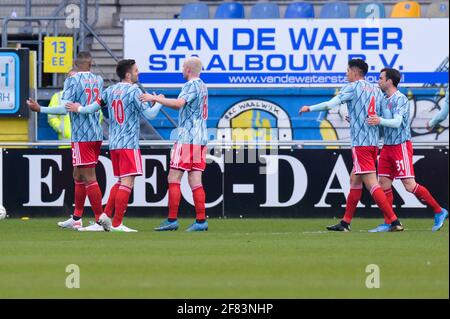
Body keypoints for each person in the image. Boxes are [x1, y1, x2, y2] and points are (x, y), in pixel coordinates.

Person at [299, 59, 404, 232]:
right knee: (354, 179)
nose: (346, 73)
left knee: (371, 183)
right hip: (372, 142)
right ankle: (345, 222)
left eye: (347, 70)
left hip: (360, 143)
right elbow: (381, 115)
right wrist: (356, 118)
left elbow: (330, 104)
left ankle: (394, 221)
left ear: (355, 72)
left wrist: (309, 108)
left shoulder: (352, 87)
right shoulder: (376, 90)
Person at [66, 59, 163, 232]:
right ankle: (117, 223)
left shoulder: (109, 91)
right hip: (129, 143)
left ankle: (103, 218)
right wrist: (159, 101)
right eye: (135, 71)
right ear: (128, 74)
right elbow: (150, 114)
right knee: (128, 182)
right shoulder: (134, 91)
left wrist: (78, 108)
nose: (137, 74)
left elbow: (92, 108)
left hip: (114, 143)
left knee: (120, 181)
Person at [27, 52, 105, 231]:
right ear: (91, 63)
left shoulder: (73, 80)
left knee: (89, 177)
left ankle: (100, 220)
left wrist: (40, 109)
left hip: (81, 135)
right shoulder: (98, 80)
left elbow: (64, 109)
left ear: (74, 63)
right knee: (78, 175)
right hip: (95, 132)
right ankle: (77, 218)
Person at [366, 68, 448, 232]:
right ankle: (390, 222)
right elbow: (376, 119)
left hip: (401, 146)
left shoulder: (401, 99)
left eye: (381, 78)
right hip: (387, 147)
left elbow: (396, 122)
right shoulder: (382, 99)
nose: (379, 81)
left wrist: (379, 120)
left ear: (390, 81)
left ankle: (439, 211)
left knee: (409, 186)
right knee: (383, 184)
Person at [140, 57, 209, 232]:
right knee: (195, 179)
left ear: (188, 69)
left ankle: (172, 219)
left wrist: (155, 98)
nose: (181, 70)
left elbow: (179, 104)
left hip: (187, 139)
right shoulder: (202, 86)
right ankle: (201, 221)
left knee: (174, 178)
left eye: (182, 67)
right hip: (200, 138)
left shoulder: (191, 85)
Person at [47, 69, 77, 148]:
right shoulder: (58, 96)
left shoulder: (87, 96)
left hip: (85, 144)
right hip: (65, 144)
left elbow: (98, 115)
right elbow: (51, 116)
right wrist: (62, 129)